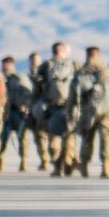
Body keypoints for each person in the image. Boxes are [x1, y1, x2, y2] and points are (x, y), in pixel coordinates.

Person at [73, 45, 109, 178]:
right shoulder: (108, 70)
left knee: (87, 139)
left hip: (89, 111)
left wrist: (70, 112)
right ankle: (106, 168)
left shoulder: (82, 72)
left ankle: (84, 166)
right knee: (106, 136)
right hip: (107, 110)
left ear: (87, 56)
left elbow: (74, 94)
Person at [37, 43, 80, 177]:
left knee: (54, 139)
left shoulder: (45, 66)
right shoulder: (74, 65)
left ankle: (59, 166)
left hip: (54, 107)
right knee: (69, 138)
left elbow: (37, 87)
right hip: (69, 107)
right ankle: (66, 164)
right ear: (65, 52)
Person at [0, 56, 35, 171]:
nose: (6, 66)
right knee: (2, 137)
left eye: (8, 63)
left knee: (22, 137)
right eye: (4, 63)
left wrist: (25, 107)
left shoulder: (19, 77)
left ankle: (23, 160)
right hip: (3, 112)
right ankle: (0, 159)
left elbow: (27, 93)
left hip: (18, 111)